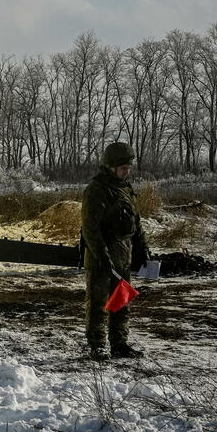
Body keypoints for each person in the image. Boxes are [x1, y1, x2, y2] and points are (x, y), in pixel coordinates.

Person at [81, 141, 149, 361]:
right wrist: (102, 256)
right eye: (123, 168)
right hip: (101, 256)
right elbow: (90, 228)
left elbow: (135, 223)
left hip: (123, 255)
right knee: (98, 303)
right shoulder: (96, 190)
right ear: (110, 166)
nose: (126, 172)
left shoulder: (126, 188)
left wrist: (141, 248)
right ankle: (97, 345)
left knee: (121, 301)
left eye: (128, 168)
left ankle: (119, 343)